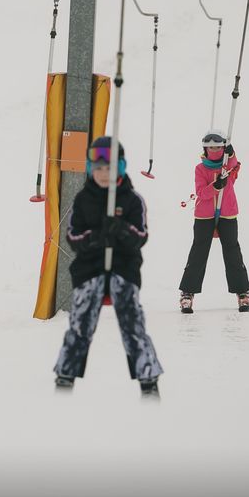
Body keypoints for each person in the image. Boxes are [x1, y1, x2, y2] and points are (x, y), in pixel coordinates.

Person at [54, 136, 163, 398]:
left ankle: (147, 376)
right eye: (98, 168)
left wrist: (121, 230)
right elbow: (73, 236)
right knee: (81, 319)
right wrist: (94, 238)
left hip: (122, 267)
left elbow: (141, 236)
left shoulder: (133, 200)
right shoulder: (83, 200)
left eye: (110, 168)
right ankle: (66, 373)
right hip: (89, 267)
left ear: (121, 168)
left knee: (131, 320)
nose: (104, 174)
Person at [178, 130, 249, 314]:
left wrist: (231, 153)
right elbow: (201, 193)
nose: (214, 150)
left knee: (232, 250)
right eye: (210, 147)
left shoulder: (227, 165)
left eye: (218, 147)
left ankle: (242, 291)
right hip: (205, 214)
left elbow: (234, 164)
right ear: (205, 148)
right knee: (199, 250)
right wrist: (215, 187)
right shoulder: (200, 168)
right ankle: (187, 292)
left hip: (227, 212)